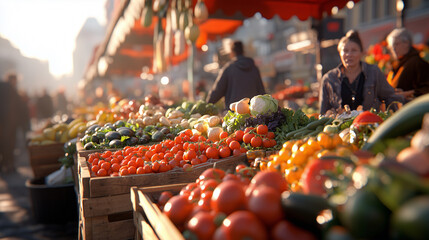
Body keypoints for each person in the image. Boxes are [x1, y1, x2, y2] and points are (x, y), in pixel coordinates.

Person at [319, 30, 404, 115]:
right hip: (340, 127)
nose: (349, 54)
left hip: (369, 124)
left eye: (354, 50)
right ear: (340, 53)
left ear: (361, 53)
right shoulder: (329, 79)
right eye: (345, 50)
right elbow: (323, 113)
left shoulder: (373, 72)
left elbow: (390, 97)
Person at [206, 40, 266, 110]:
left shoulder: (228, 69)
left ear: (232, 53)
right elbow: (261, 91)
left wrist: (207, 104)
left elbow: (217, 91)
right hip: (252, 113)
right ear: (243, 51)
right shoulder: (254, 68)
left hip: (234, 114)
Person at [386, 28, 429, 100]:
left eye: (396, 44)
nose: (393, 48)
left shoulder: (417, 62)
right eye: (391, 46)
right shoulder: (397, 64)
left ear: (406, 43)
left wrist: (408, 93)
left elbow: (426, 88)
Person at [0, 72, 30, 173]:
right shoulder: (9, 89)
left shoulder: (5, 87)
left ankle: (6, 163)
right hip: (9, 121)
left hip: (7, 121)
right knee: (8, 143)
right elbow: (17, 106)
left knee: (5, 143)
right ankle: (9, 164)